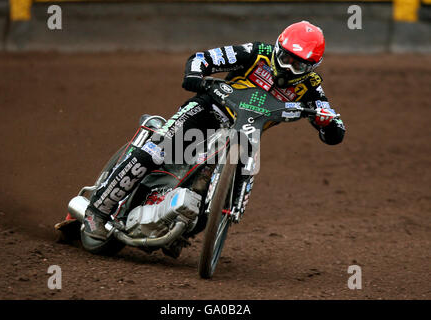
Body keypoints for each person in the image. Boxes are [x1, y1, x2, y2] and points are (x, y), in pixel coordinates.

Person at [83, 20, 346, 240]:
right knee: (157, 150)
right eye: (285, 57)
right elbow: (203, 58)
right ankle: (98, 210)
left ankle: (199, 219)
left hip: (246, 133)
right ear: (277, 47)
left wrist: (326, 122)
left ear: (311, 67)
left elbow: (334, 128)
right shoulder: (256, 52)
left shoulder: (311, 87)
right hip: (209, 110)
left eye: (298, 65)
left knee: (237, 175)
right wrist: (198, 78)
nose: (289, 67)